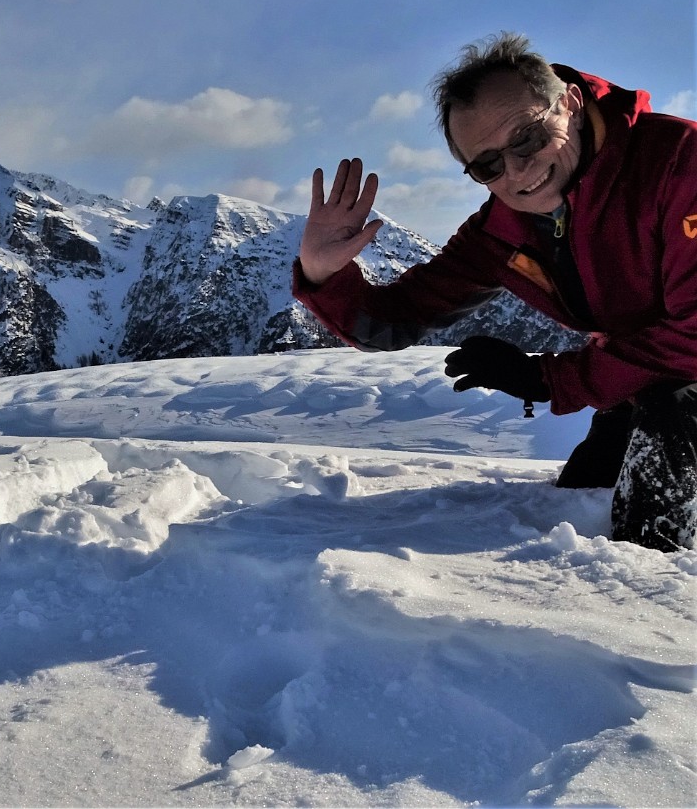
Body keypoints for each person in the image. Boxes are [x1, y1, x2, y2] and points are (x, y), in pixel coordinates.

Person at [292, 32, 697, 551]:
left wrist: (548, 378)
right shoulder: (503, 230)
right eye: (487, 164)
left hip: (677, 388)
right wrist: (324, 274)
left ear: (570, 103)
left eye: (528, 138)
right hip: (650, 385)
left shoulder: (677, 163)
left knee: (648, 531)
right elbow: (392, 320)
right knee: (582, 499)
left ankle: (652, 611)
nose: (517, 170)